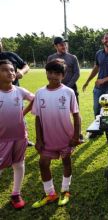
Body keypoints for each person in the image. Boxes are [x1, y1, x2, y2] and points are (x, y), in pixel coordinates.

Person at [31, 59, 81, 208]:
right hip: (47, 139)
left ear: (63, 75)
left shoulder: (68, 92)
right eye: (50, 72)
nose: (53, 76)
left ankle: (65, 191)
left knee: (66, 162)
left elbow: (76, 116)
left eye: (57, 73)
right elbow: (38, 118)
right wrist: (39, 139)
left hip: (66, 137)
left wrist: (76, 136)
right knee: (43, 163)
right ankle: (50, 194)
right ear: (46, 72)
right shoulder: (40, 93)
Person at [0, 59, 34, 209]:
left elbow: (35, 99)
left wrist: (23, 112)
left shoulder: (19, 91)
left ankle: (16, 193)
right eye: (5, 70)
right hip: (1, 138)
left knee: (19, 164)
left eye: (12, 70)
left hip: (20, 136)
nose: (11, 72)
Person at [82, 32, 108, 139]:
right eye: (106, 38)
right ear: (102, 40)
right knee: (96, 109)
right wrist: (88, 81)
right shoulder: (99, 54)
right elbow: (96, 68)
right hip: (98, 87)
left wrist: (104, 80)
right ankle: (98, 130)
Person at [0, 38, 33, 147]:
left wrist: (22, 72)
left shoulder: (10, 55)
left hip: (14, 92)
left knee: (19, 117)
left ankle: (24, 138)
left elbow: (26, 65)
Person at [47, 37, 80, 104]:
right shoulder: (51, 58)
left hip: (71, 88)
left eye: (65, 44)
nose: (64, 46)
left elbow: (77, 73)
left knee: (75, 112)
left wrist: (67, 87)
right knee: (57, 110)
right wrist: (55, 85)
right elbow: (48, 73)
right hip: (55, 89)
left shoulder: (73, 57)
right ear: (56, 46)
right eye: (61, 45)